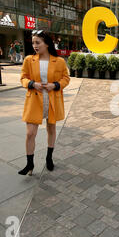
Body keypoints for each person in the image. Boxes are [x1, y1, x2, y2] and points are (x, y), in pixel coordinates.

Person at [18, 30, 70, 176]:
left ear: (46, 44)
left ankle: (49, 158)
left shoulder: (59, 61)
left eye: (38, 42)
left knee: (51, 129)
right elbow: (23, 78)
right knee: (30, 133)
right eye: (33, 42)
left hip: (52, 99)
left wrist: (56, 85)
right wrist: (32, 84)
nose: (35, 45)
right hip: (34, 99)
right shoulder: (29, 59)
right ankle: (29, 164)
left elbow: (66, 78)